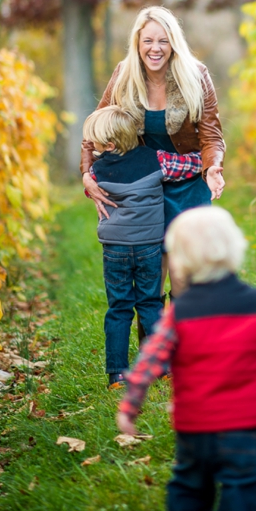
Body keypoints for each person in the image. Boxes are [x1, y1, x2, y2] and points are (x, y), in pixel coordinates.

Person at [116, 206, 256, 511]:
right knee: (240, 507)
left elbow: (150, 360)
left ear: (180, 262)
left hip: (195, 430)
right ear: (235, 248)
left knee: (188, 495)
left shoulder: (180, 314)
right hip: (247, 429)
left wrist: (130, 406)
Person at [81, 6, 227, 317]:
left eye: (162, 41)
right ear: (137, 42)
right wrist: (86, 174)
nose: (155, 48)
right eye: (148, 41)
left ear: (173, 42)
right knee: (152, 277)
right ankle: (154, 355)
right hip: (144, 187)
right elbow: (94, 129)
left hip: (188, 184)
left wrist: (213, 167)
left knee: (184, 273)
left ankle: (186, 351)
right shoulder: (124, 75)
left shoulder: (196, 75)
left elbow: (211, 135)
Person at [82, 106, 203, 389]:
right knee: (150, 303)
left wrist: (88, 179)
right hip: (149, 246)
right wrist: (204, 159)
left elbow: (90, 188)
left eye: (95, 143)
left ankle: (117, 374)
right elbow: (189, 165)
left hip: (115, 249)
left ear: (109, 145)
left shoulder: (96, 171)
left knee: (119, 308)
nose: (94, 148)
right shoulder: (156, 160)